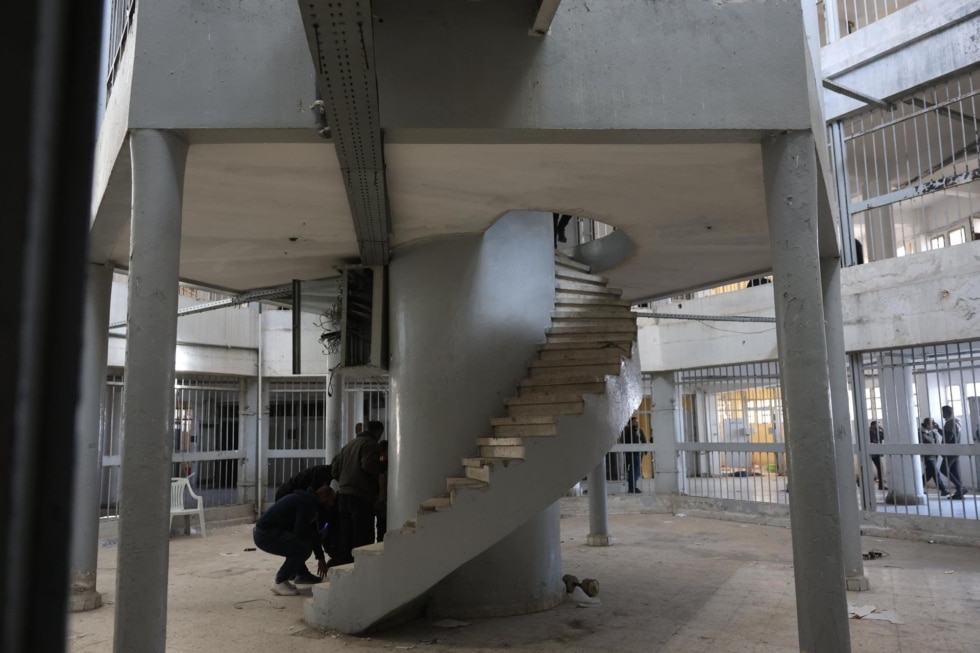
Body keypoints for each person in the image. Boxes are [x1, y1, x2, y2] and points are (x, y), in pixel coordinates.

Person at [253, 484, 335, 596]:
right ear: (324, 496)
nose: (331, 504)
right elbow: (300, 531)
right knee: (304, 547)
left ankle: (301, 574)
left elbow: (312, 532)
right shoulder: (308, 503)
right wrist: (315, 547)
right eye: (331, 500)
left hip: (264, 532)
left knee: (298, 544)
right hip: (265, 534)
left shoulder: (309, 500)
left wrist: (320, 557)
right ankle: (279, 581)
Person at [332, 420, 388, 564]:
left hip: (343, 495)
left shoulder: (348, 445)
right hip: (360, 497)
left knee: (346, 535)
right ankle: (361, 567)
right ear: (378, 433)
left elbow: (334, 470)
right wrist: (385, 465)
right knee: (362, 536)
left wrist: (345, 482)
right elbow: (369, 465)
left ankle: (346, 565)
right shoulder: (370, 444)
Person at [941, 405, 967, 500]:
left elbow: (948, 438)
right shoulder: (957, 421)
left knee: (943, 469)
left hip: (950, 450)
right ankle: (959, 492)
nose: (942, 414)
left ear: (946, 412)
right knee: (954, 471)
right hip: (956, 449)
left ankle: (961, 487)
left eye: (943, 412)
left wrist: (939, 430)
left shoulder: (950, 422)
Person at [919, 418, 949, 497]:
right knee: (935, 472)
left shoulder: (933, 433)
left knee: (928, 473)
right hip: (927, 456)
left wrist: (937, 430)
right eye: (932, 424)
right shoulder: (921, 433)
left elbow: (937, 442)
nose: (934, 425)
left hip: (934, 455)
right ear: (927, 425)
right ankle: (943, 489)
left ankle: (918, 487)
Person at [620, 415, 646, 494]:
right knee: (634, 471)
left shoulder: (637, 430)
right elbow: (624, 440)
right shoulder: (628, 430)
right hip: (631, 453)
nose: (636, 423)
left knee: (634, 471)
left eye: (637, 422)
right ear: (630, 423)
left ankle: (632, 487)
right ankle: (632, 487)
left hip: (635, 453)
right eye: (634, 422)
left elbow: (644, 440)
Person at [869, 421, 885, 491]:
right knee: (866, 468)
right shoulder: (868, 432)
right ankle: (859, 481)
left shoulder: (878, 432)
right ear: (872, 425)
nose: (878, 426)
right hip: (870, 452)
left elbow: (885, 436)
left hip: (876, 453)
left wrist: (882, 429)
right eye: (876, 425)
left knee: (880, 468)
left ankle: (881, 485)